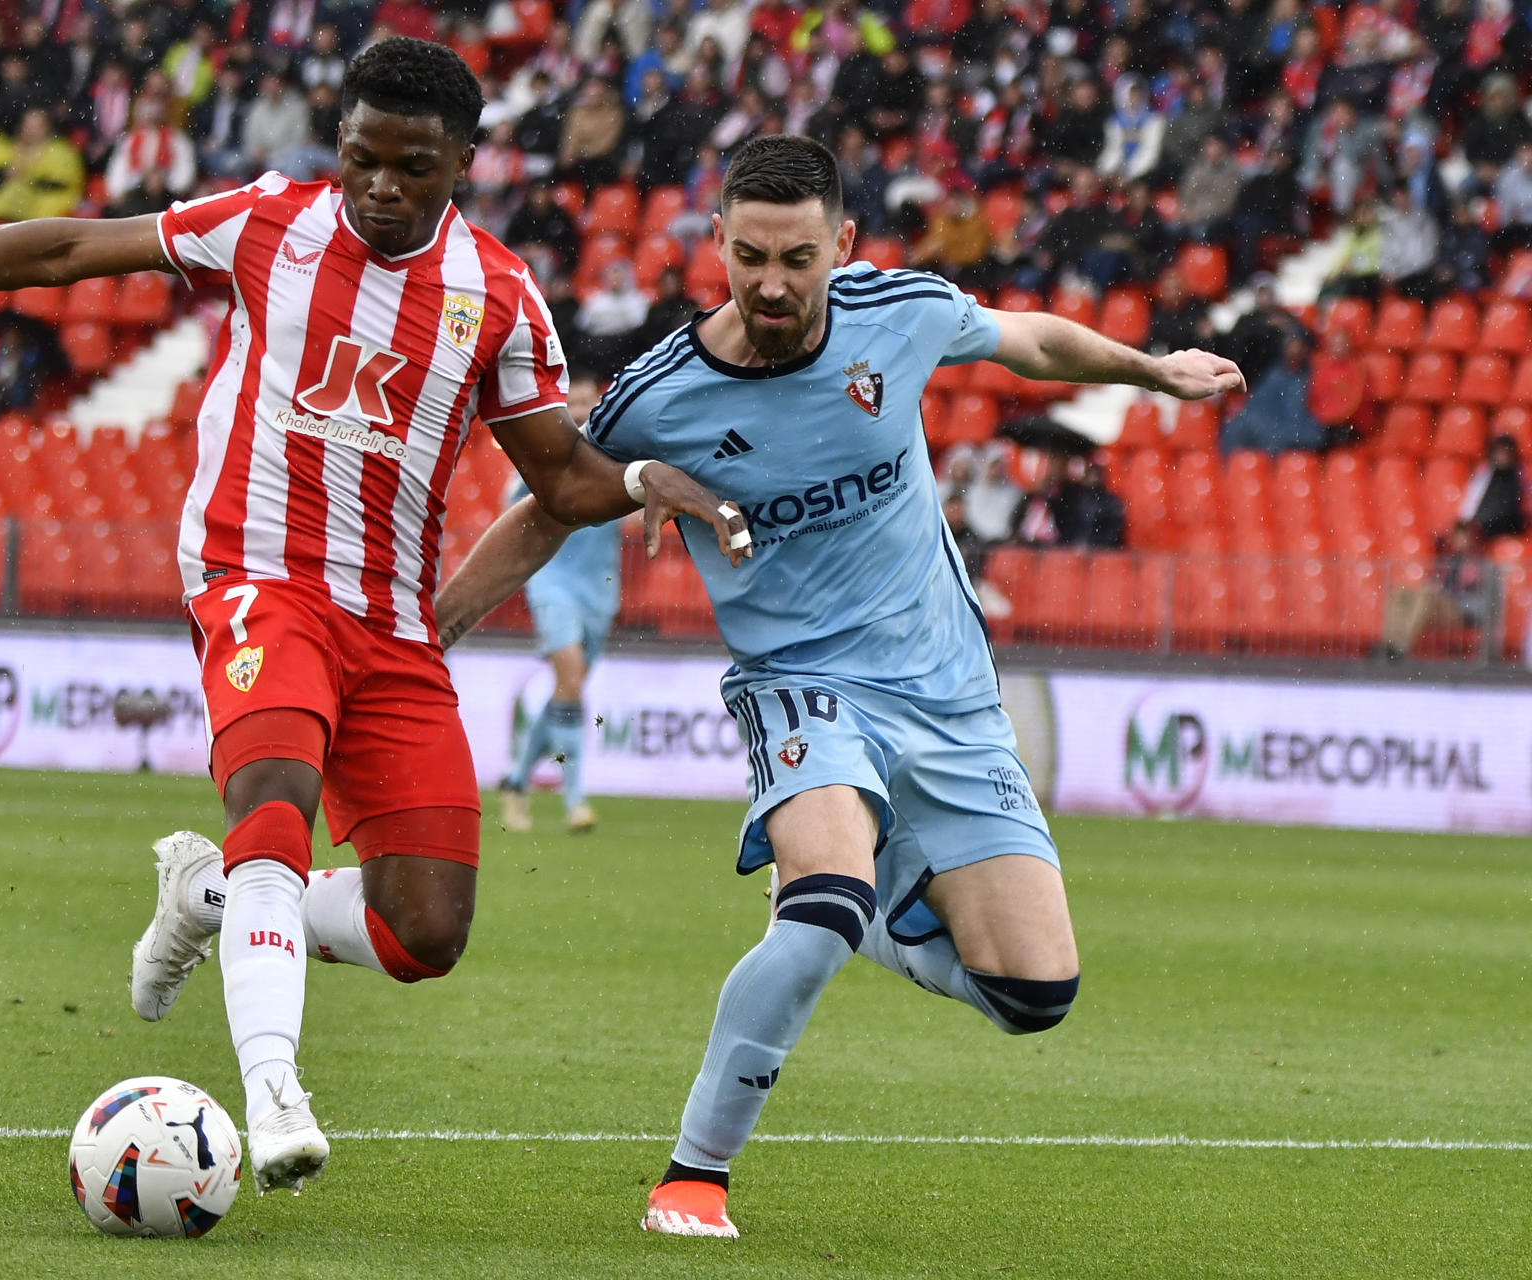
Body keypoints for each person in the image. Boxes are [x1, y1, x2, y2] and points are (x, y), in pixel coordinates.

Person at [0, 36, 747, 1197]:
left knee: (423, 930)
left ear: (464, 165)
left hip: (388, 622)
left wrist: (644, 481)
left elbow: (562, 478)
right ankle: (273, 1087)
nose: (382, 185)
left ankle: (210, 899)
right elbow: (75, 246)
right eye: (362, 159)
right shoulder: (267, 222)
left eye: (413, 168)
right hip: (254, 574)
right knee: (273, 799)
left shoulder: (498, 295)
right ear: (339, 145)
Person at [433, 135, 1243, 1238]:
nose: (771, 282)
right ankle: (693, 1174)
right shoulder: (662, 394)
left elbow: (1030, 340)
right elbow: (553, 504)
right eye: (750, 255)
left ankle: (889, 922)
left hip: (951, 693)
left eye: (798, 257)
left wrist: (1151, 368)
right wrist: (435, 626)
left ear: (842, 246)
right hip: (800, 684)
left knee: (1034, 993)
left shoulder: (897, 312)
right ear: (715, 243)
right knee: (815, 908)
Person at [498, 372, 624, 835]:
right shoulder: (539, 459)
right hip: (551, 581)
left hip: (600, 589)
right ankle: (575, 800)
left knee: (566, 692)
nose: (578, 412)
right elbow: (510, 518)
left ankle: (514, 781)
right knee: (569, 678)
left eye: (586, 403)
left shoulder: (615, 457)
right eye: (570, 403)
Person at [1381, 522, 1496, 659]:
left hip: (1462, 610)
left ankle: (1402, 644)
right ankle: (1389, 642)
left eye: (1464, 538)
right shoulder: (1446, 560)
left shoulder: (1479, 563)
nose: (1460, 542)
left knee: (1427, 594)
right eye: (1458, 537)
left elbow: (1479, 597)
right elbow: (1435, 583)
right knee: (1400, 592)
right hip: (1441, 604)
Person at [1460, 435, 1528, 541]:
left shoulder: (1521, 474)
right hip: (1485, 527)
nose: (1503, 457)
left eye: (1506, 452)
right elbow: (1471, 501)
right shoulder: (1484, 473)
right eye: (1500, 452)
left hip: (1513, 527)